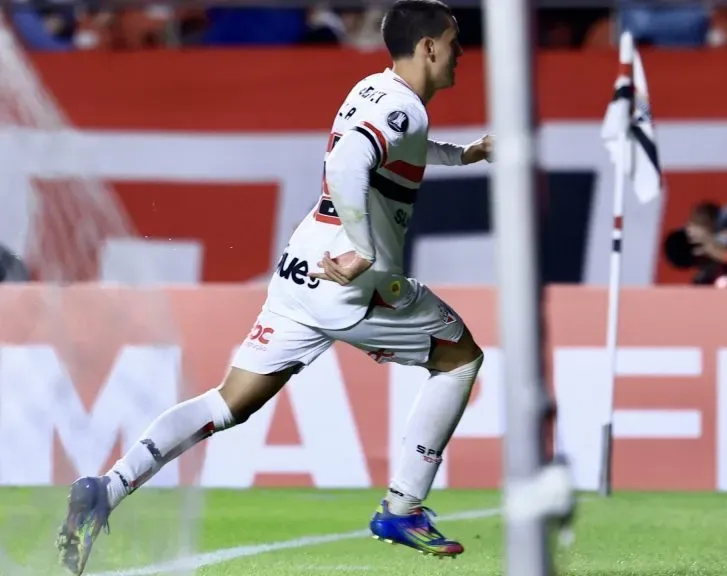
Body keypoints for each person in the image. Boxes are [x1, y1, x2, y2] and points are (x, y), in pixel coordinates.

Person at [56, 1, 491, 573]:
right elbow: (349, 164)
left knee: (228, 402)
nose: (461, 50)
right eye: (455, 40)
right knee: (459, 357)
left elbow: (390, 150)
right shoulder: (403, 110)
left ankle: (107, 487)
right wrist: (364, 248)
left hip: (302, 265)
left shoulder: (377, 91)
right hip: (349, 280)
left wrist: (464, 156)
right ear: (429, 46)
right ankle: (403, 507)